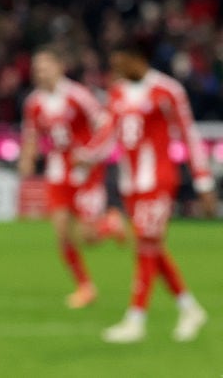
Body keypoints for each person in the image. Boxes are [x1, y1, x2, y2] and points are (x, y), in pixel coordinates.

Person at [77, 36, 217, 344]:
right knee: (152, 247)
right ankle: (189, 308)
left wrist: (203, 182)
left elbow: (189, 135)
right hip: (131, 184)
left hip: (159, 180)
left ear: (136, 59)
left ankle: (135, 319)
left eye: (119, 62)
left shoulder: (167, 90)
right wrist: (86, 156)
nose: (115, 69)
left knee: (145, 245)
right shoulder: (117, 92)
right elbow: (108, 134)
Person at [18, 46, 124, 309]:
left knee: (87, 236)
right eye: (37, 68)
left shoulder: (78, 95)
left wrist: (90, 154)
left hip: (84, 171)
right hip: (57, 171)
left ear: (59, 67)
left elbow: (105, 123)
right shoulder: (34, 102)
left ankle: (109, 224)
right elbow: (31, 135)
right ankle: (85, 287)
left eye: (45, 67)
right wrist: (27, 160)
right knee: (62, 232)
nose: (40, 73)